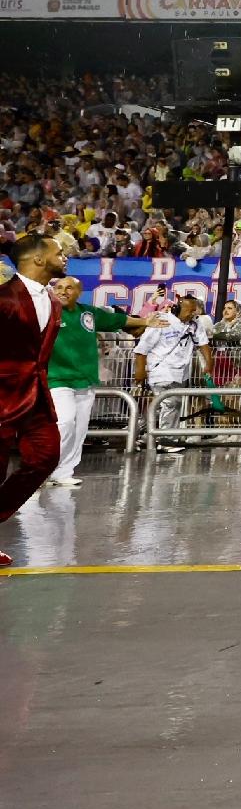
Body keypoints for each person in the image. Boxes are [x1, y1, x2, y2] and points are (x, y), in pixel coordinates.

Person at [44, 276, 151, 486]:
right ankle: (43, 468)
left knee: (79, 428)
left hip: (85, 380)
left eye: (69, 288)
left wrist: (146, 321)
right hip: (56, 379)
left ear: (79, 292)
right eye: (59, 287)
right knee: (64, 422)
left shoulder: (88, 313)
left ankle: (63, 472)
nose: (63, 291)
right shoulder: (45, 311)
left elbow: (119, 321)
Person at [1, 233, 68, 565]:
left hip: (36, 395)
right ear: (38, 259)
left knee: (46, 456)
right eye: (59, 251)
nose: (65, 256)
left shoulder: (54, 300)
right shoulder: (4, 298)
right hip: (2, 394)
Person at [131, 294, 212, 454]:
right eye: (189, 310)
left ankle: (142, 436)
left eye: (194, 311)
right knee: (171, 404)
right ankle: (167, 440)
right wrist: (140, 371)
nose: (192, 314)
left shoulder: (195, 324)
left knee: (164, 407)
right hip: (160, 370)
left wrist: (209, 365)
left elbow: (203, 343)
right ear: (177, 309)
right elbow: (142, 349)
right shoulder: (161, 321)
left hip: (181, 372)